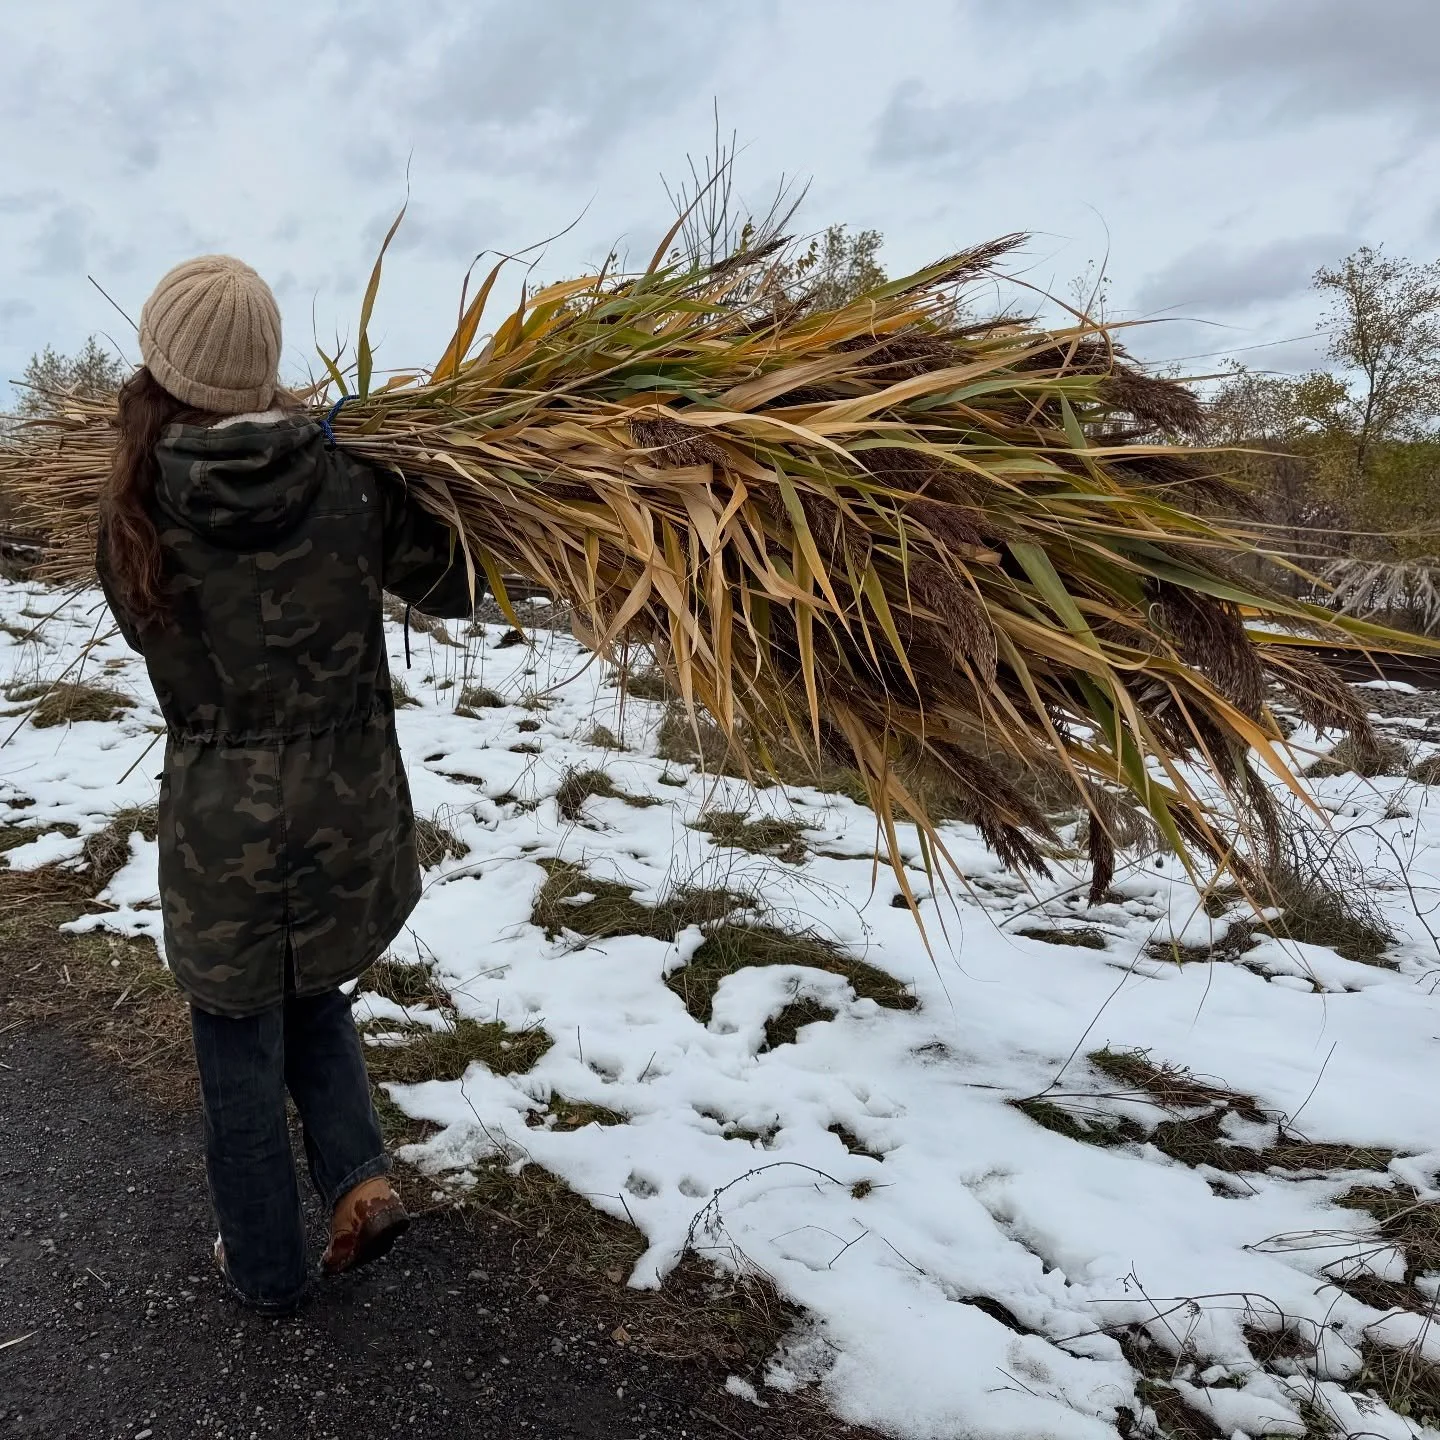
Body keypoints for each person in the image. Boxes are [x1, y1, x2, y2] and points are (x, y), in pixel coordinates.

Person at [95, 254, 475, 1314]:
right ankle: (359, 1182)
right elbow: (456, 585)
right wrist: (440, 480)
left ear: (161, 365)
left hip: (222, 832)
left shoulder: (131, 510)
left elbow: (146, 635)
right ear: (265, 367)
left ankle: (265, 1270)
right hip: (348, 812)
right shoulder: (355, 483)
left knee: (237, 1041)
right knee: (316, 988)